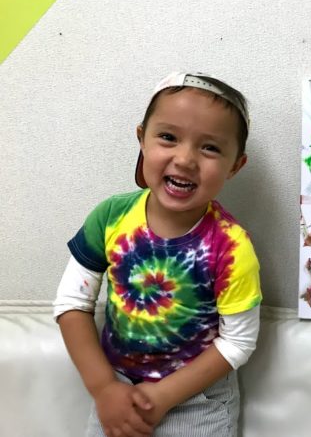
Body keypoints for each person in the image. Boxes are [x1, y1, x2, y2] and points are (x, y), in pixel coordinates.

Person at [53, 72, 262, 437]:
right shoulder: (110, 217)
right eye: (168, 137)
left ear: (235, 165)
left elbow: (237, 342)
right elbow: (72, 303)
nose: (185, 159)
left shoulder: (231, 247)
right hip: (116, 391)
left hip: (199, 402)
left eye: (210, 148)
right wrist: (104, 388)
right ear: (142, 139)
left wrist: (162, 396)